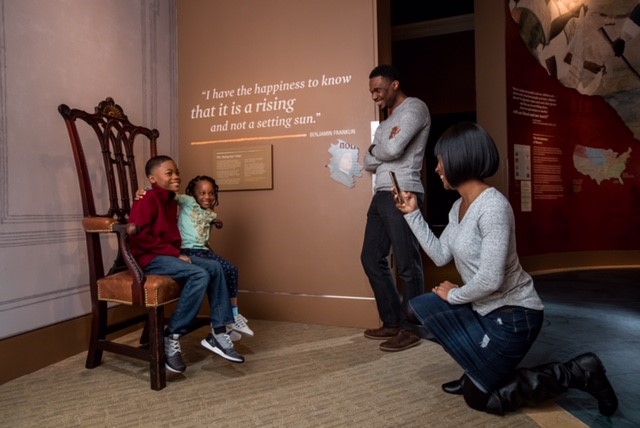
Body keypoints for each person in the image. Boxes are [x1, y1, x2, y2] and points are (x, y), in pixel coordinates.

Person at [394, 122, 618, 416]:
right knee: (418, 311)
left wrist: (455, 295)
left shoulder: (493, 207)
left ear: (461, 158)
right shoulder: (458, 206)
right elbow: (439, 255)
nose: (437, 168)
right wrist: (413, 215)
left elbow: (490, 279)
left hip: (514, 315)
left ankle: (578, 372)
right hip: (482, 307)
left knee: (479, 399)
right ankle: (478, 364)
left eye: (440, 160)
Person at [128, 155, 245, 374]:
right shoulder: (147, 199)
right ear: (153, 178)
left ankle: (218, 332)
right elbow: (138, 237)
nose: (176, 176)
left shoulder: (172, 201)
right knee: (200, 274)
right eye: (169, 173)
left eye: (177, 172)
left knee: (215, 267)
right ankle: (171, 335)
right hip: (150, 259)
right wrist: (173, 253)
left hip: (169, 255)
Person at [361, 64, 431, 352]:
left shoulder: (414, 109)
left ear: (394, 85)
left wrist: (378, 150)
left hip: (403, 190)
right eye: (371, 91)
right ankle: (392, 321)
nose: (374, 96)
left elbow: (392, 150)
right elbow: (368, 162)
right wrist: (380, 149)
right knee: (370, 257)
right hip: (380, 193)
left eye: (378, 89)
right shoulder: (388, 120)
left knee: (406, 262)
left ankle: (412, 326)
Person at [177, 175, 254, 339]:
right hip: (188, 251)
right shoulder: (188, 202)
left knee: (231, 269)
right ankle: (227, 321)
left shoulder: (210, 214)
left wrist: (216, 221)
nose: (207, 197)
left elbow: (204, 229)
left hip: (204, 251)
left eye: (211, 193)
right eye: (202, 193)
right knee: (218, 269)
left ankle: (231, 317)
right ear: (193, 194)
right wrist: (146, 191)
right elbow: (170, 196)